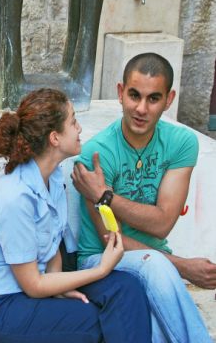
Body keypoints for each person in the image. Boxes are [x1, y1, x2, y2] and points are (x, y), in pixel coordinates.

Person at [0, 88, 152, 343]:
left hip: (38, 285)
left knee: (127, 288)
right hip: (1, 306)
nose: (79, 129)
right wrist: (100, 270)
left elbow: (53, 248)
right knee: (98, 319)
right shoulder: (15, 197)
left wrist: (59, 287)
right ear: (55, 138)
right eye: (73, 121)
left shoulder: (53, 176)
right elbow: (32, 284)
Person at [72, 53, 214, 342]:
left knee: (159, 334)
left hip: (156, 261)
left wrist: (105, 196)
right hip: (99, 260)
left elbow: (162, 223)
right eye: (134, 95)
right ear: (121, 93)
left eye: (153, 98)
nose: (141, 108)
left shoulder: (181, 143)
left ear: (169, 99)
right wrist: (183, 266)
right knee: (155, 265)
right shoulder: (97, 154)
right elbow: (111, 240)